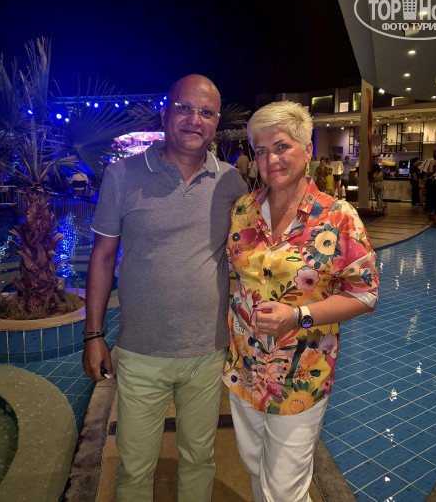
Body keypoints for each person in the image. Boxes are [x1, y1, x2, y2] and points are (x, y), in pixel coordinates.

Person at [82, 74, 248, 502]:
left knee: (199, 458)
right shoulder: (123, 175)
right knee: (135, 465)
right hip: (141, 351)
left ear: (216, 123)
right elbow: (102, 257)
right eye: (184, 108)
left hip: (208, 351)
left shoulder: (232, 183)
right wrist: (93, 335)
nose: (195, 119)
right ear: (165, 112)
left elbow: (252, 258)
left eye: (206, 112)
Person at [223, 100, 379, 502]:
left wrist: (299, 316)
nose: (269, 160)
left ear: (307, 149)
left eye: (281, 147)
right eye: (260, 150)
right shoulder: (244, 210)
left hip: (301, 373)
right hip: (245, 366)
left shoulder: (338, 217)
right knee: (254, 467)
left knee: (284, 488)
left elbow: (365, 294)